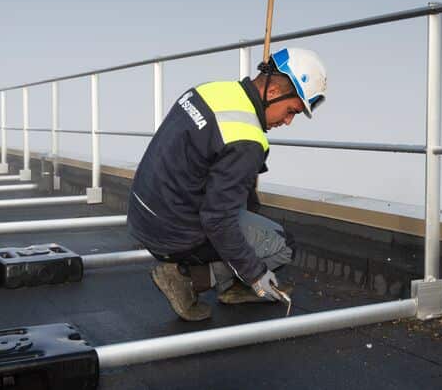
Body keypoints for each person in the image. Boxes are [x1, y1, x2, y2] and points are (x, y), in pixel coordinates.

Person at [128, 47, 327, 321]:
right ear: (272, 92)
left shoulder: (209, 91)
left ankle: (231, 283)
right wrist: (255, 273)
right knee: (283, 245)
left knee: (243, 210)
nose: (288, 121)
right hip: (172, 234)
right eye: (291, 110)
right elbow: (217, 220)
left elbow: (236, 188)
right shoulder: (247, 139)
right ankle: (189, 280)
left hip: (142, 215)